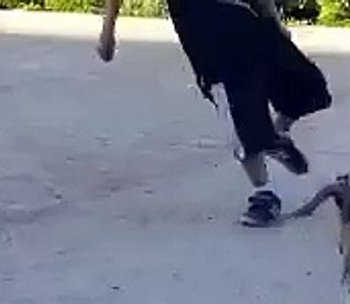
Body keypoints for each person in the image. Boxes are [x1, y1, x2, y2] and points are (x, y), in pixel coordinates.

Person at [96, 0, 333, 227]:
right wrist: (108, 31)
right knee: (239, 113)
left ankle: (273, 136)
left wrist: (274, 20)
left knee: (308, 86)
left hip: (250, 21)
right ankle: (265, 192)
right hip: (206, 31)